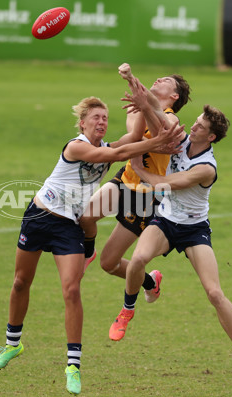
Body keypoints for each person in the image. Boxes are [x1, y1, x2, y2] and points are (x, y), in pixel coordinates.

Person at [0, 96, 183, 395]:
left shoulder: (105, 146)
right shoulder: (76, 146)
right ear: (82, 123)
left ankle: (73, 366)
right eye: (96, 118)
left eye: (105, 118)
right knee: (20, 282)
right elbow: (116, 155)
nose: (102, 122)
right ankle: (12, 344)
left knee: (72, 289)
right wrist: (156, 141)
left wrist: (144, 106)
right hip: (39, 217)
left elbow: (129, 140)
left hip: (68, 226)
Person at [108, 78, 232, 388]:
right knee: (137, 260)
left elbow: (168, 184)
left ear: (212, 136)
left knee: (215, 293)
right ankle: (127, 310)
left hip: (193, 230)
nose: (193, 128)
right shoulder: (182, 141)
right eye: (194, 122)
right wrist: (139, 91)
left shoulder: (207, 168)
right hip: (164, 221)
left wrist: (138, 168)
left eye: (200, 127)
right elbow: (161, 118)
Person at [80, 63, 191, 304]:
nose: (159, 78)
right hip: (125, 179)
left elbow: (160, 129)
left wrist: (145, 115)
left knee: (109, 263)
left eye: (167, 80)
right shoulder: (137, 107)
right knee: (85, 217)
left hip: (145, 196)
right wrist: (130, 78)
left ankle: (150, 282)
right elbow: (135, 134)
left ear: (174, 96)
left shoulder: (171, 118)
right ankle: (87, 253)